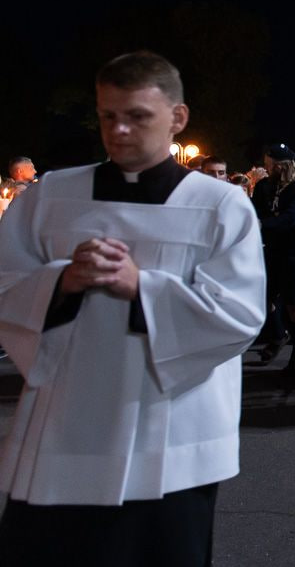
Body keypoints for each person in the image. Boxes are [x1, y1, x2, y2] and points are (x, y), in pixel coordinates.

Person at [0, 51, 265, 565]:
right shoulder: (52, 195)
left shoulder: (220, 205)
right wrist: (62, 281)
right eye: (107, 116)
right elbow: (7, 282)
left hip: (169, 440)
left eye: (137, 116)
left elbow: (238, 315)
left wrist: (141, 286)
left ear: (177, 118)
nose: (118, 130)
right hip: (62, 430)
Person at [251, 143, 295, 374]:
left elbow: (289, 219)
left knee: (293, 304)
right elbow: (256, 210)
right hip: (271, 249)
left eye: (269, 164)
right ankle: (279, 335)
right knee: (264, 298)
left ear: (281, 165)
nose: (266, 167)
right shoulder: (263, 186)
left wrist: (263, 223)